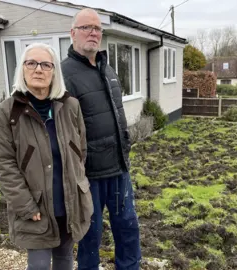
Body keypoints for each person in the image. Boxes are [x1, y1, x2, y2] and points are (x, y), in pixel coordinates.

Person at [0, 42, 94, 270]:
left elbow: (81, 152)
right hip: (35, 205)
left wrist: (76, 187)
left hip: (68, 203)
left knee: (65, 259)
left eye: (46, 65)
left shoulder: (70, 106)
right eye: (31, 63)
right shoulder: (7, 112)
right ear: (22, 69)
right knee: (38, 265)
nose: (38, 69)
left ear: (54, 71)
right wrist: (26, 205)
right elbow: (3, 164)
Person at [61, 8, 142, 270]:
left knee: (128, 230)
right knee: (89, 237)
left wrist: (126, 146)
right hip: (88, 177)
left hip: (119, 169)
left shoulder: (108, 71)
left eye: (97, 28)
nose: (93, 33)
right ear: (73, 33)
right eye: (86, 27)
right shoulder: (63, 76)